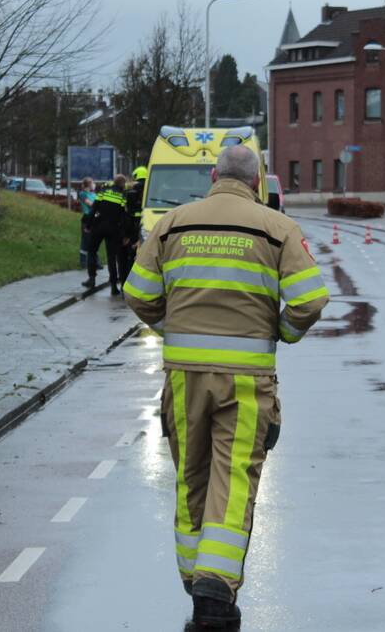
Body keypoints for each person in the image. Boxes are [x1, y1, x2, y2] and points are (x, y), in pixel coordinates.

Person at [124, 145, 329, 627]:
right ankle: (216, 588)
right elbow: (311, 300)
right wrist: (281, 332)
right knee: (233, 477)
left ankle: (196, 583)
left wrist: (170, 327)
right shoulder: (277, 229)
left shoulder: (172, 224)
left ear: (213, 175)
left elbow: (138, 294)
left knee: (190, 477)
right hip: (245, 381)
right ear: (258, 183)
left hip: (183, 378)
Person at [84, 174, 129, 295]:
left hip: (99, 226)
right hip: (114, 229)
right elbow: (124, 216)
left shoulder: (103, 191)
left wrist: (88, 225)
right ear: (123, 184)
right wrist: (124, 234)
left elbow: (94, 208)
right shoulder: (123, 196)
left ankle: (92, 279)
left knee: (92, 251)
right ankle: (114, 286)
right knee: (111, 257)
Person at [122, 166, 148, 280]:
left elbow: (127, 212)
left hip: (132, 226)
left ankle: (129, 281)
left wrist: (126, 235)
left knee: (130, 257)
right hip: (145, 225)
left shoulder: (131, 191)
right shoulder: (151, 188)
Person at [78, 177, 97, 269]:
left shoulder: (93, 194)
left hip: (94, 219)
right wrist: (97, 205)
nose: (94, 185)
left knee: (93, 240)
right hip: (87, 219)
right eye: (92, 183)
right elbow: (90, 204)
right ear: (89, 185)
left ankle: (95, 262)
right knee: (86, 240)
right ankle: (83, 262)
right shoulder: (83, 194)